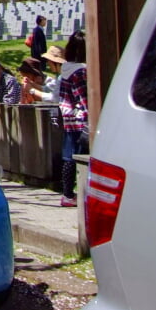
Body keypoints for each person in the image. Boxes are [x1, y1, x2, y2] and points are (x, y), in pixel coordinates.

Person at [57, 31, 89, 207]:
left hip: (68, 119)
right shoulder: (81, 72)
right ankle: (83, 193)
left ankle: (67, 194)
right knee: (83, 158)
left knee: (69, 157)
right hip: (82, 120)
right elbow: (84, 98)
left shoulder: (66, 70)